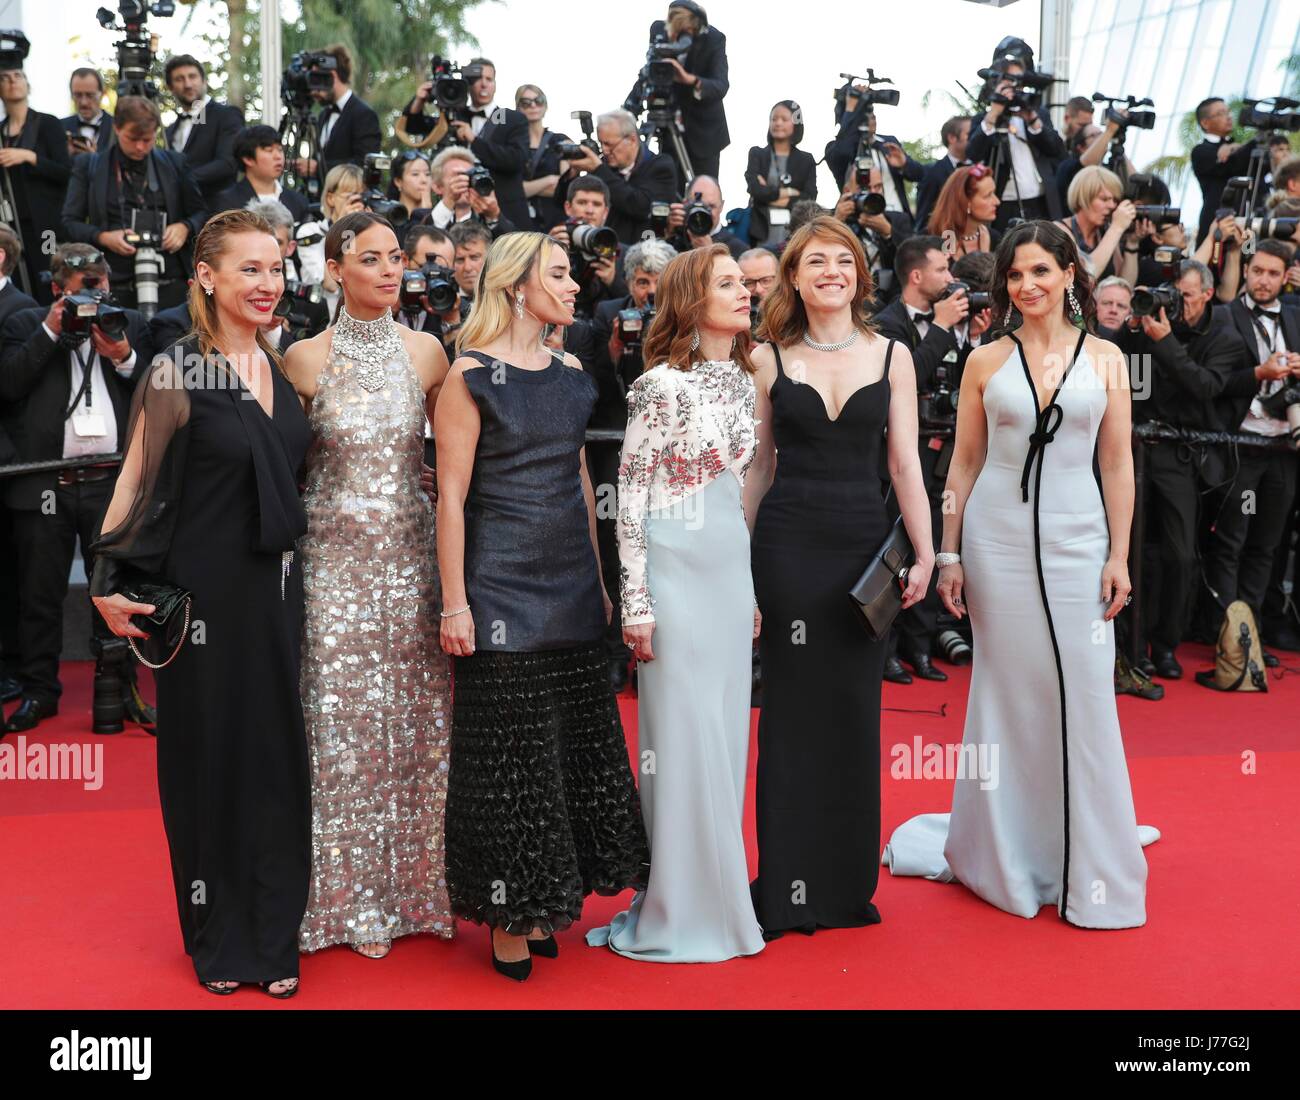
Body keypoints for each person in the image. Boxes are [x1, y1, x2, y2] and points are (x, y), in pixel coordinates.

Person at [883, 220, 1160, 928]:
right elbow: (965, 462)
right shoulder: (985, 358)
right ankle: (1005, 851)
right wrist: (948, 550)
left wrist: (1119, 554)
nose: (1028, 285)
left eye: (1041, 271)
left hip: (1079, 538)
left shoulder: (1105, 357)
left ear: (1071, 273)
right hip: (995, 542)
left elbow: (1118, 463)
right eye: (1015, 275)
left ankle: (1085, 848)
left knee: (1085, 692)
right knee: (1006, 693)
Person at [90, 209, 312, 995]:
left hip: (278, 600)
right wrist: (107, 585)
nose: (266, 283)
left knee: (277, 767)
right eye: (248, 269)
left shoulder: (283, 368)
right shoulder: (179, 370)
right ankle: (218, 937)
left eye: (276, 268)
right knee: (209, 766)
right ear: (206, 278)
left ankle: (274, 933)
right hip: (203, 602)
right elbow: (134, 480)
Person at [436, 230, 648, 981]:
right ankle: (508, 911)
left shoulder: (572, 371)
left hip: (568, 581)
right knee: (509, 760)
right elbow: (451, 498)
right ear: (516, 284)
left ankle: (545, 895)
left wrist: (599, 582)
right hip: (497, 585)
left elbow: (585, 486)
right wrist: (455, 603)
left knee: (566, 751)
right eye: (558, 275)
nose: (574, 287)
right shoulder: (468, 376)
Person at [744, 216, 933, 936]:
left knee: (853, 717)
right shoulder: (768, 358)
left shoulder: (893, 356)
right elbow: (759, 469)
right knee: (791, 720)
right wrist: (738, 560)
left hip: (862, 553)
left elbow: (905, 465)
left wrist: (924, 552)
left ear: (860, 275)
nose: (832, 272)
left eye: (844, 261)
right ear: (793, 276)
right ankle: (788, 887)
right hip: (789, 550)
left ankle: (843, 887)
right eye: (816, 261)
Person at [277, 211, 454, 959]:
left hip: (412, 565)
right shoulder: (303, 359)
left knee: (418, 727)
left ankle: (419, 893)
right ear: (335, 269)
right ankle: (337, 902)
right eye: (371, 258)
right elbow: (288, 470)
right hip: (332, 568)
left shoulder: (430, 353)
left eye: (396, 258)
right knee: (337, 727)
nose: (390, 270)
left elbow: (450, 465)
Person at [584, 243, 762, 963]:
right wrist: (637, 603)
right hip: (674, 572)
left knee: (724, 739)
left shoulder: (746, 380)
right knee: (681, 741)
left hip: (725, 574)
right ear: (693, 301)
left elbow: (740, 502)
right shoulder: (659, 385)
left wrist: (749, 590)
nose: (745, 291)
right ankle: (679, 907)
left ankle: (721, 902)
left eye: (744, 282)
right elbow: (630, 501)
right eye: (728, 284)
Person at [0, 244, 154, 736]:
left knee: (114, 590)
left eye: (99, 285)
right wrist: (51, 330)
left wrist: (124, 355)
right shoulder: (25, 323)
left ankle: (122, 688)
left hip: (111, 481)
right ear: (56, 289)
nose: (93, 296)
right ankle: (39, 692)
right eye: (81, 288)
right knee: (39, 594)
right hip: (46, 482)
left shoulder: (126, 322)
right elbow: (8, 385)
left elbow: (161, 386)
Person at [1111, 259, 1251, 680]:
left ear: (1208, 294)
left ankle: (1166, 644)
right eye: (1172, 294)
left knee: (1179, 555)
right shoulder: (1153, 323)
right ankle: (1127, 646)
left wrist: (1168, 342)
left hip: (1180, 454)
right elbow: (1123, 371)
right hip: (1131, 450)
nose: (1175, 304)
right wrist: (1134, 328)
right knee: (1125, 551)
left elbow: (1206, 387)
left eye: (1185, 297)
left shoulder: (1224, 337)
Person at [587, 238, 677, 691]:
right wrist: (618, 344)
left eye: (658, 279)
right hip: (612, 445)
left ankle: (653, 653)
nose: (650, 290)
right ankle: (610, 651)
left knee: (659, 543)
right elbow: (598, 384)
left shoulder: (682, 315)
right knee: (612, 542)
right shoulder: (607, 314)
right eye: (642, 281)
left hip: (665, 452)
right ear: (629, 282)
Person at [1206, 238, 1300, 658]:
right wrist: (1258, 374)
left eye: (1273, 274)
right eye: (1258, 271)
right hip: (1244, 451)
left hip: (1284, 450)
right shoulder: (1225, 318)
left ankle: (1254, 635)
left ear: (1286, 277)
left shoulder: (1296, 317)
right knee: (1234, 540)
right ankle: (1230, 635)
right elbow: (1213, 382)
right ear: (1246, 270)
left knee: (1267, 543)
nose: (1264, 280)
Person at [61, 96, 208, 312]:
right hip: (112, 283)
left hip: (171, 283)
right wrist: (102, 237)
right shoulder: (89, 165)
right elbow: (68, 222)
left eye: (148, 140)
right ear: (117, 128)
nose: (140, 147)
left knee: (174, 346)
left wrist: (184, 227)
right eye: (132, 138)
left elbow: (202, 213)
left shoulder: (176, 163)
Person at [625, 2, 730, 183]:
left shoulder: (713, 38)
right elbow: (652, 71)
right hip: (666, 122)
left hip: (704, 132)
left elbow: (720, 85)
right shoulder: (659, 31)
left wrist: (690, 80)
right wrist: (627, 115)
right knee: (668, 187)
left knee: (702, 193)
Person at [0, 62, 71, 304]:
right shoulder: (1, 132)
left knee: (50, 277)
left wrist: (29, 157)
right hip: (13, 224)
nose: (12, 81)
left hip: (47, 224)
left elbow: (65, 172)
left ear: (27, 84)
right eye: (5, 77)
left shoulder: (47, 123)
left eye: (18, 75)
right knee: (19, 280)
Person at [966, 58, 1067, 226]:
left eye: (1020, 81)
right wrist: (994, 113)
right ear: (997, 82)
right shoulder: (984, 119)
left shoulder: (1037, 113)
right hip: (1003, 204)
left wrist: (1033, 121)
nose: (1017, 86)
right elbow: (973, 154)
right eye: (1011, 80)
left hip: (1041, 202)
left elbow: (1057, 150)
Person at [562, 109, 678, 245]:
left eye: (609, 145)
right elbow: (563, 202)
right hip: (605, 248)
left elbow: (641, 206)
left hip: (646, 251)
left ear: (632, 140)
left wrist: (599, 169)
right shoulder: (604, 167)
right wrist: (572, 174)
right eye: (601, 143)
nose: (604, 151)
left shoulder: (661, 166)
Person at [825, 82, 925, 224]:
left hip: (896, 220)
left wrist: (904, 164)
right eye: (862, 114)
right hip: (858, 222)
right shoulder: (836, 148)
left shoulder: (889, 143)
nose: (869, 118)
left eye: (871, 114)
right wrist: (851, 108)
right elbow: (843, 150)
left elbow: (920, 175)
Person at [163, 54, 245, 204]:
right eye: (179, 79)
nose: (187, 84)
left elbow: (228, 163)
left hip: (218, 212)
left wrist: (184, 180)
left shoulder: (226, 115)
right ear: (171, 87)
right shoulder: (169, 131)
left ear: (204, 81)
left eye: (192, 76)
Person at [298, 44, 382, 185]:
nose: (312, 90)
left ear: (332, 76)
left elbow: (364, 164)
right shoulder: (324, 115)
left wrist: (317, 168)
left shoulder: (363, 114)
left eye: (316, 79)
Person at [546, 176, 628, 319]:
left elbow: (636, 304)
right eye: (582, 202)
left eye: (596, 204)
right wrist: (547, 252)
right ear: (568, 207)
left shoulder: (624, 253)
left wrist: (613, 281)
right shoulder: (552, 243)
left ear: (606, 212)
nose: (589, 210)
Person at [744, 100, 816, 249]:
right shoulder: (757, 153)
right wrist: (790, 192)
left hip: (794, 231)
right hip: (761, 230)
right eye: (774, 119)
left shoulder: (806, 159)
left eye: (784, 119)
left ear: (795, 123)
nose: (778, 123)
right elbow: (755, 190)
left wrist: (769, 197)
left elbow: (810, 197)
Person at [1191, 98, 1259, 246]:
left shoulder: (1236, 147)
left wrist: (1235, 146)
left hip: (1247, 227)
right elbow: (1230, 166)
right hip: (1217, 226)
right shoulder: (1201, 151)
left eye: (1228, 112)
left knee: (1246, 263)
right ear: (1205, 123)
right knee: (1213, 267)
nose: (1228, 117)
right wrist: (1255, 140)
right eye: (1221, 113)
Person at [294, 163, 365, 303]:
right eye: (350, 197)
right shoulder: (310, 231)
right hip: (324, 318)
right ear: (330, 198)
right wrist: (344, 227)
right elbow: (331, 284)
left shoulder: (368, 234)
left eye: (360, 197)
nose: (356, 204)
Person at [1058, 165, 1139, 285]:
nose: (1112, 206)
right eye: (1104, 199)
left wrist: (1132, 243)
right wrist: (1117, 227)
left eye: (1115, 200)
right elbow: (1085, 276)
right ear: (1083, 198)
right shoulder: (1060, 230)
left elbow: (1124, 284)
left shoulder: (1105, 232)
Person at [213, 125, 311, 222]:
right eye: (269, 150)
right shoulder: (227, 204)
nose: (278, 156)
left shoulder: (299, 202)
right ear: (248, 159)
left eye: (280, 150)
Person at [515, 83, 571, 231]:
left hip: (556, 220)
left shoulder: (561, 141)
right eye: (526, 103)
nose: (533, 105)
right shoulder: (512, 145)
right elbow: (512, 190)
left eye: (538, 101)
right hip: (522, 222)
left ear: (545, 106)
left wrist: (528, 187)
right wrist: (549, 180)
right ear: (518, 108)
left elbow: (564, 189)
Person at [925, 163, 1001, 256]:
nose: (997, 201)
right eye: (987, 196)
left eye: (994, 193)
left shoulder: (994, 238)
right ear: (965, 201)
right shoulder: (932, 241)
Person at [665, 174, 744, 258]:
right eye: (697, 206)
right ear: (685, 204)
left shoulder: (737, 249)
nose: (702, 212)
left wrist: (710, 253)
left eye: (711, 206)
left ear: (721, 206)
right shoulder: (676, 239)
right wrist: (668, 234)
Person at [913, 116, 970, 234]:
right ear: (952, 138)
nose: (975, 138)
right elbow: (924, 218)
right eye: (970, 133)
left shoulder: (982, 167)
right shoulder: (933, 172)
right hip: (945, 240)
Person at [61, 67, 113, 155]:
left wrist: (95, 159)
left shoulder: (116, 127)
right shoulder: (60, 127)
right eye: (77, 95)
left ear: (102, 94)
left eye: (90, 95)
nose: (83, 102)